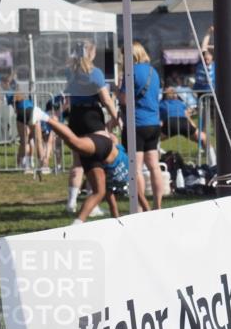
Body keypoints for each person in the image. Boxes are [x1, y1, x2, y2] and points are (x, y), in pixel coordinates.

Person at [33, 107, 130, 222]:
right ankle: (44, 116)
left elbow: (110, 197)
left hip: (97, 159)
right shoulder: (132, 172)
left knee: (99, 192)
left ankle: (77, 223)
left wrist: (116, 219)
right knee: (75, 143)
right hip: (104, 147)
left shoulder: (113, 182)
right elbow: (114, 140)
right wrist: (147, 210)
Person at [64, 40, 119, 216]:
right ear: (91, 53)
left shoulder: (71, 72)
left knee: (78, 162)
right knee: (94, 161)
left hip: (75, 118)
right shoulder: (95, 73)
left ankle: (71, 202)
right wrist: (116, 117)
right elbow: (106, 99)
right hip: (92, 118)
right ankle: (92, 201)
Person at [120, 42, 165, 211]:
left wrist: (117, 91)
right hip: (153, 122)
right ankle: (157, 205)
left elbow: (124, 99)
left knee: (136, 167)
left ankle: (140, 206)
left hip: (137, 124)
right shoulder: (153, 72)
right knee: (154, 166)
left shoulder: (131, 72)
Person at [159, 87, 216, 166]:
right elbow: (187, 116)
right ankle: (213, 163)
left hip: (170, 123)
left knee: (152, 140)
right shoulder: (180, 103)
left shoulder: (161, 104)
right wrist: (195, 128)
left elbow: (159, 120)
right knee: (204, 139)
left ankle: (157, 159)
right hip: (184, 123)